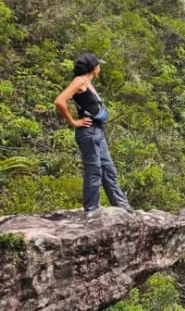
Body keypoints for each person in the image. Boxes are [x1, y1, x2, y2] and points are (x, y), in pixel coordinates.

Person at [54, 53, 132, 212]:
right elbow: (60, 101)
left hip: (97, 131)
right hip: (88, 132)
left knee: (108, 169)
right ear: (93, 68)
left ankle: (122, 207)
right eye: (98, 65)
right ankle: (92, 209)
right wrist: (73, 122)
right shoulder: (79, 81)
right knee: (94, 170)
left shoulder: (88, 83)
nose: (100, 68)